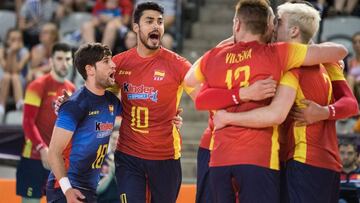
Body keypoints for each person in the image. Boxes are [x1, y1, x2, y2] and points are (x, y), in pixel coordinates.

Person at [184, 0, 349, 202]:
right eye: (274, 22)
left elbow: (194, 88)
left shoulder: (217, 54)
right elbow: (340, 51)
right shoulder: (278, 56)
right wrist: (242, 95)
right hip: (263, 156)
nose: (273, 27)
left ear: (237, 24)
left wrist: (225, 110)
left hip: (222, 151)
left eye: (278, 22)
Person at [112, 2, 197, 202]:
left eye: (159, 22)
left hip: (165, 157)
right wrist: (68, 104)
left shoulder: (179, 65)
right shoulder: (118, 64)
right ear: (136, 27)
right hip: (128, 155)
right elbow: (93, 93)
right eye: (149, 21)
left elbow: (204, 97)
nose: (156, 26)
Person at [47, 43, 122, 203]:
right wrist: (67, 190)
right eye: (106, 61)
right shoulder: (75, 105)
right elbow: (53, 152)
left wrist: (173, 119)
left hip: (90, 189)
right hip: (67, 189)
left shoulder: (112, 101)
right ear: (90, 70)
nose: (113, 65)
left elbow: (141, 117)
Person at [16, 42, 75, 203]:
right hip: (34, 157)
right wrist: (42, 148)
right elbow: (28, 122)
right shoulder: (38, 85)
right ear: (51, 61)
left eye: (67, 59)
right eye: (59, 58)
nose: (64, 63)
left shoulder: (72, 89)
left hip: (59, 161)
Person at [0, 28, 30, 122]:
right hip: (3, 82)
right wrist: (11, 52)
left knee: (14, 76)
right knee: (7, 76)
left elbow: (16, 70)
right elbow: (6, 69)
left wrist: (13, 52)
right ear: (7, 40)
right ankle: (1, 108)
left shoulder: (25, 52)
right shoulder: (1, 50)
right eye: (13, 39)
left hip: (19, 83)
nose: (16, 42)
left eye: (18, 39)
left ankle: (20, 104)